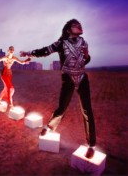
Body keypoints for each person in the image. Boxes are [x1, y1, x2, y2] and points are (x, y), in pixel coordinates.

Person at [20, 19, 96, 159]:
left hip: (82, 78)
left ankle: (91, 145)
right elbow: (45, 51)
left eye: (80, 25)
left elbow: (86, 60)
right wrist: (28, 53)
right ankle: (49, 127)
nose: (79, 26)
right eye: (76, 25)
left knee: (87, 111)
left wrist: (86, 56)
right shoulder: (60, 43)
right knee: (62, 108)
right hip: (68, 79)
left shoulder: (84, 42)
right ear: (68, 30)